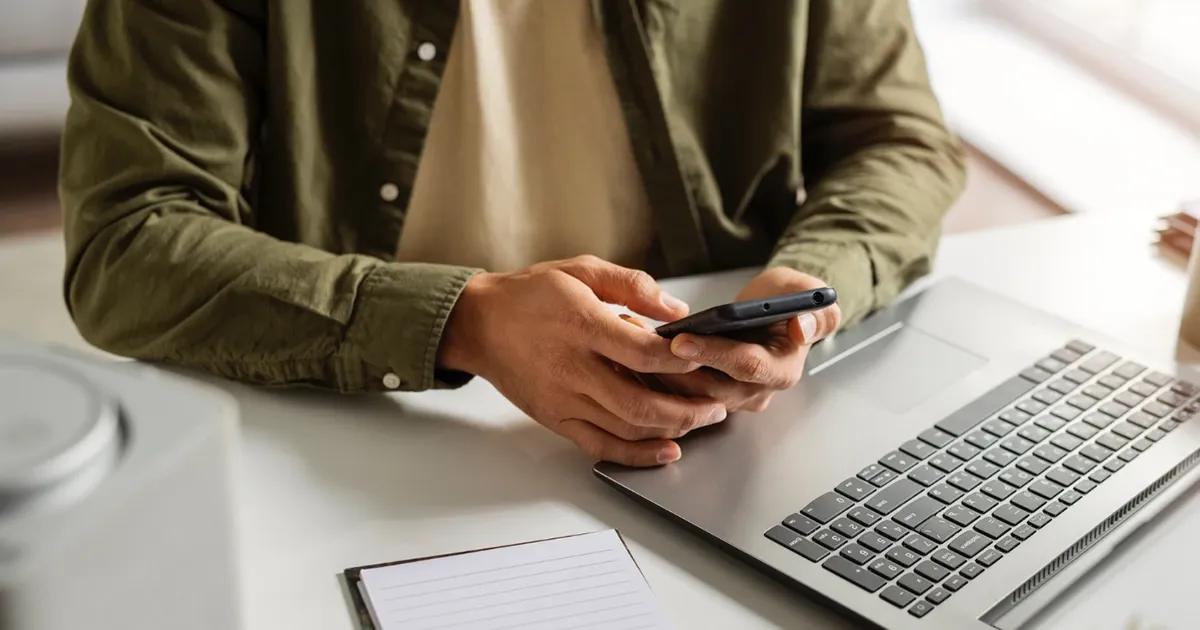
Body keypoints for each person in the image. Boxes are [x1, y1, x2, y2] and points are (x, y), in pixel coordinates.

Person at [59, 0, 964, 467]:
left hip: (717, 432)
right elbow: (128, 239)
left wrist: (805, 287)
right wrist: (464, 320)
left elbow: (898, 139)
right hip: (366, 422)